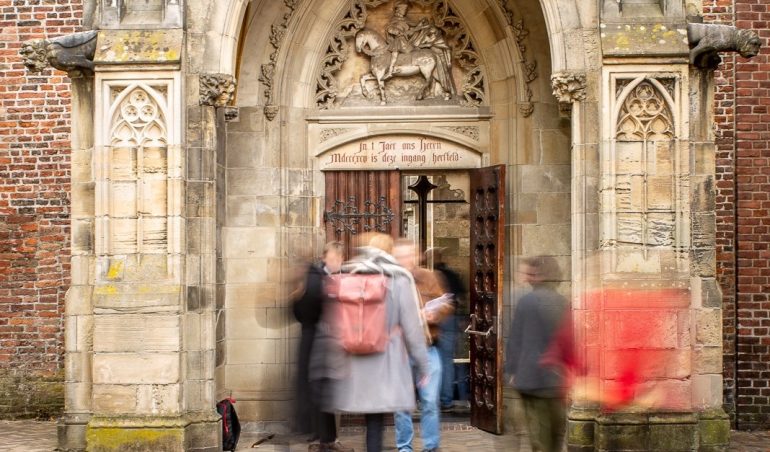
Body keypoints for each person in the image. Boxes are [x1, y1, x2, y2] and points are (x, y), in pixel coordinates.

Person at [316, 233, 430, 452]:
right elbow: (412, 327)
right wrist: (423, 364)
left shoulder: (348, 272)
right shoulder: (399, 277)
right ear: (389, 251)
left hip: (354, 360)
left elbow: (334, 321)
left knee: (372, 420)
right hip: (385, 359)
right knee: (376, 421)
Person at [393, 240, 454, 452]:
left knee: (429, 402)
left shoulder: (430, 277)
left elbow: (446, 304)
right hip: (400, 351)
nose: (404, 260)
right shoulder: (390, 280)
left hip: (428, 348)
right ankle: (404, 448)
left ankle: (430, 447)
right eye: (399, 256)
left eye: (408, 255)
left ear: (417, 256)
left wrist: (434, 313)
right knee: (402, 405)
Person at [291, 242, 352, 452]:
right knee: (318, 389)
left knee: (329, 391)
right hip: (315, 341)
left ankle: (329, 437)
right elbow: (301, 310)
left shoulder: (342, 279)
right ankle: (321, 437)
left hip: (333, 344)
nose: (337, 261)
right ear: (325, 257)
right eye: (333, 257)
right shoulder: (315, 278)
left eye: (339, 258)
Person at [505, 256, 569, 452]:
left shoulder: (527, 301)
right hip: (556, 379)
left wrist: (512, 371)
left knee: (539, 439)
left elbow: (515, 340)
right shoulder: (563, 302)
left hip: (531, 378)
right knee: (556, 435)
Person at [425, 247, 466, 412]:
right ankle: (446, 400)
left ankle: (431, 399)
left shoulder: (429, 275)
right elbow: (461, 298)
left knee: (429, 359)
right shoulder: (452, 275)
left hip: (434, 319)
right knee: (446, 361)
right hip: (450, 319)